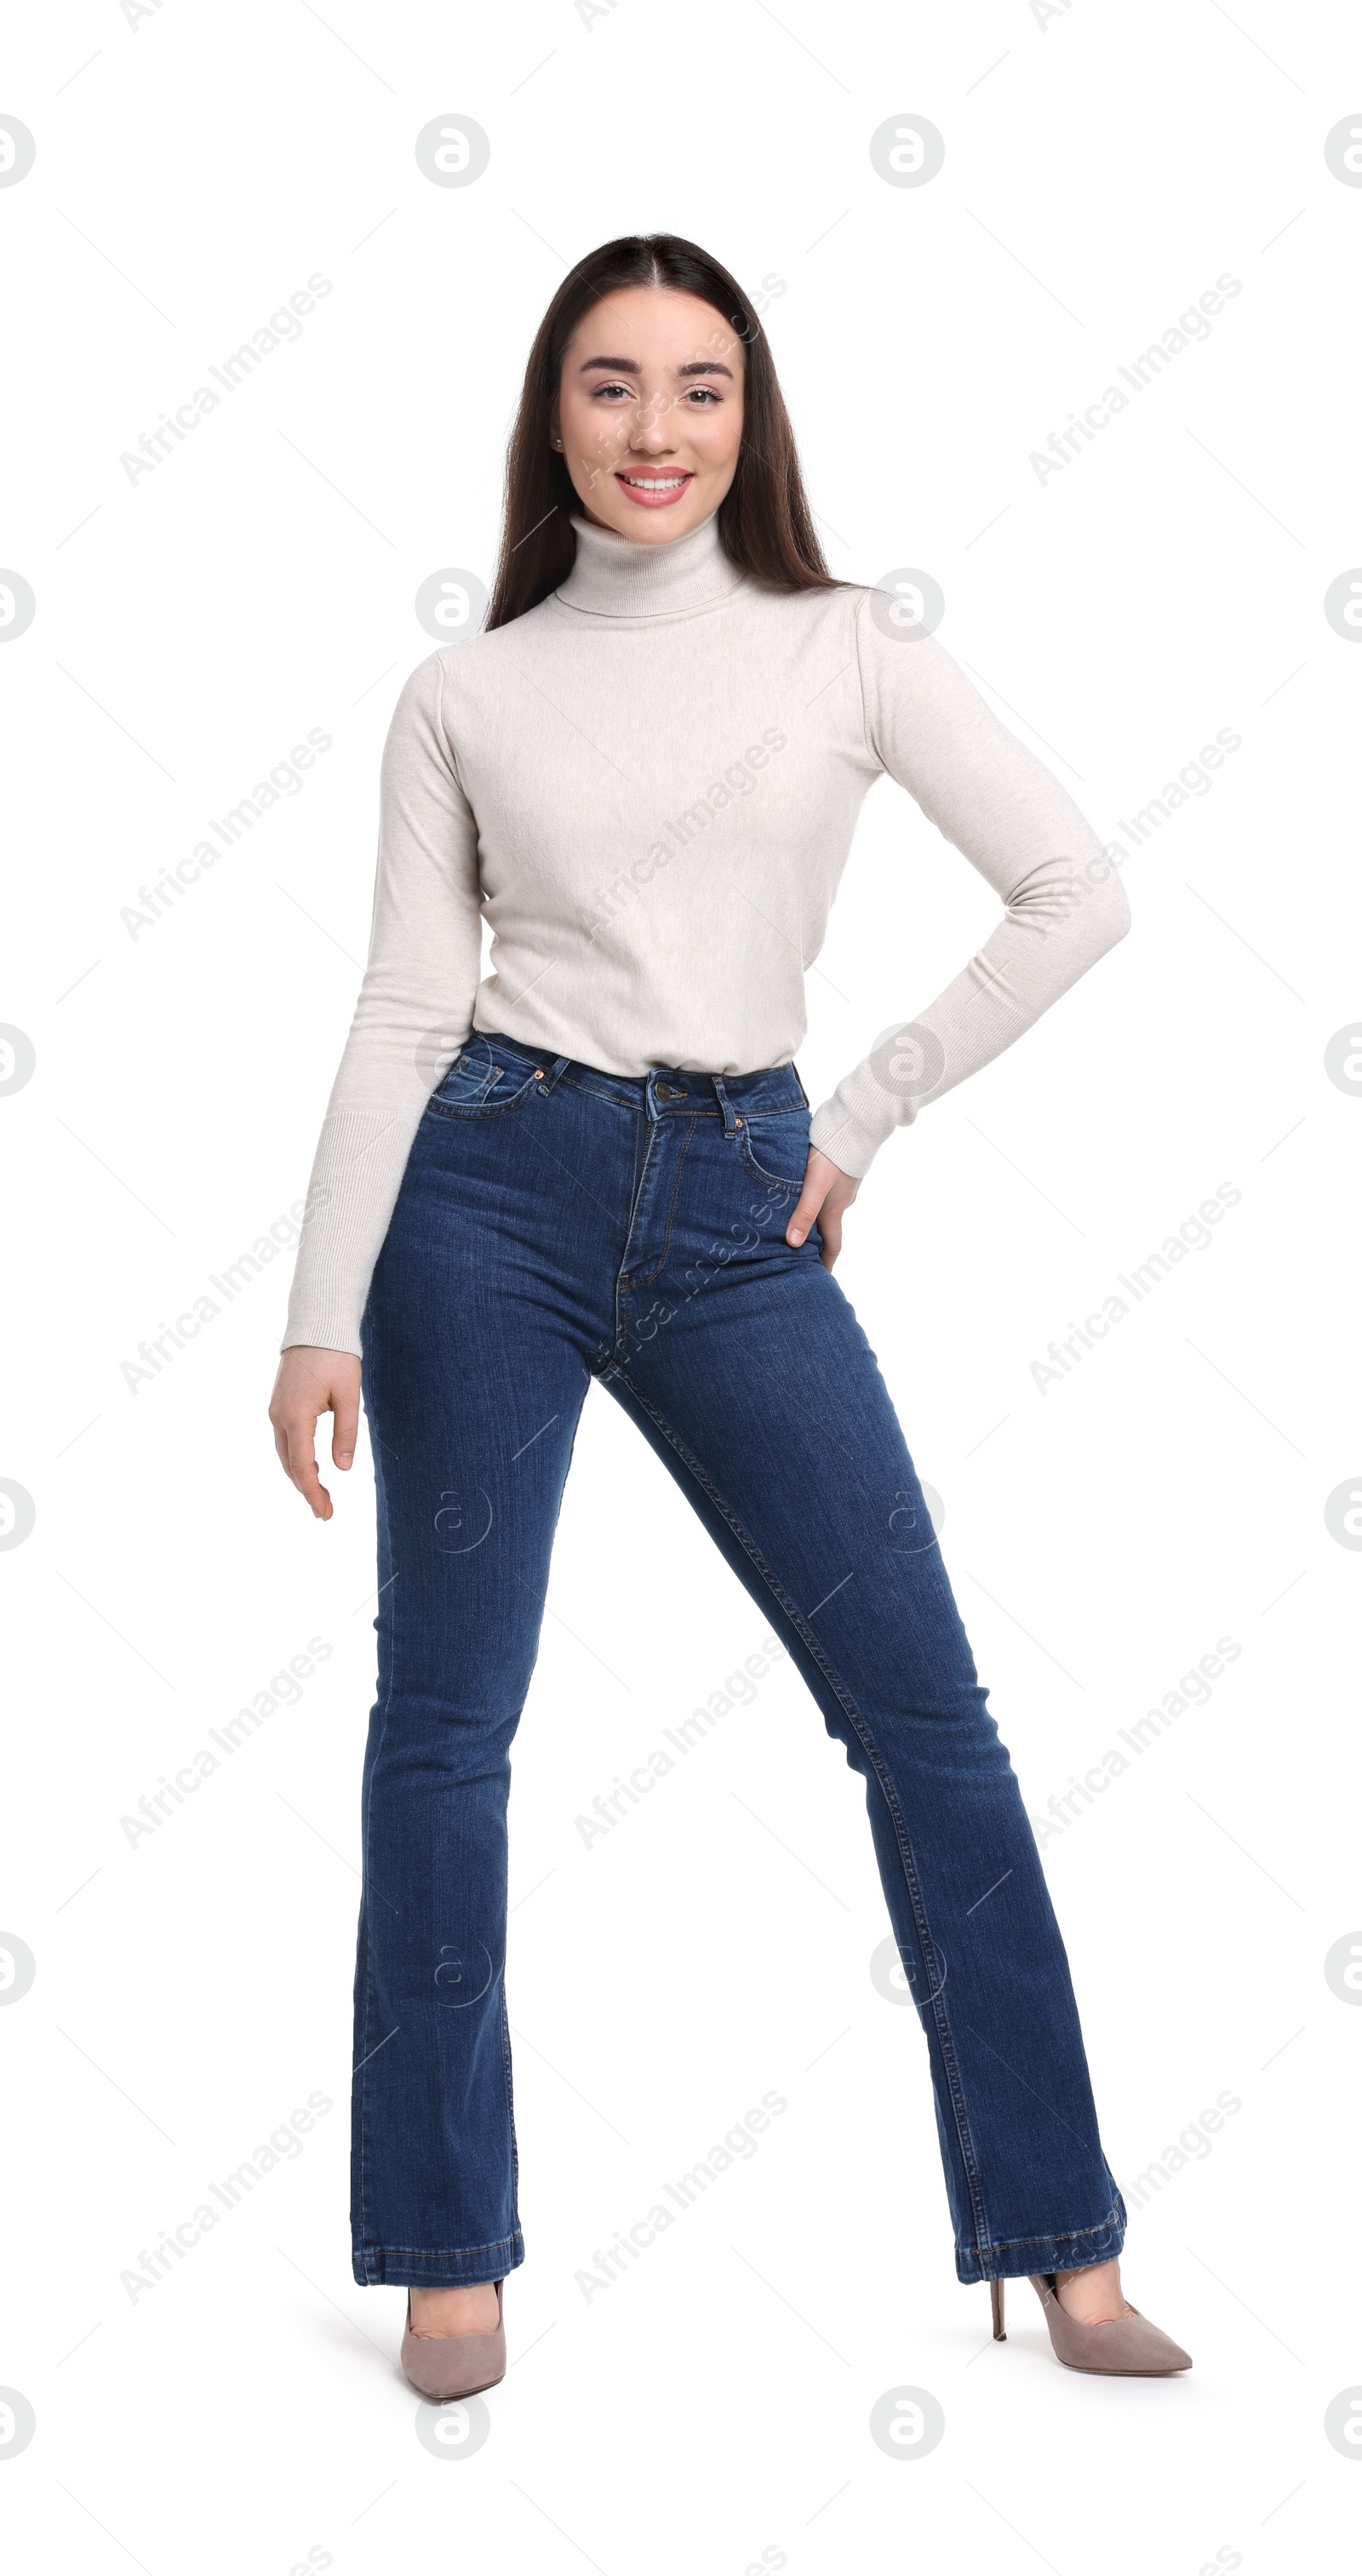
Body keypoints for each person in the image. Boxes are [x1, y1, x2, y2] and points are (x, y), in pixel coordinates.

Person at [270, 232, 1191, 2396]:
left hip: (734, 1201)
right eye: (611, 385)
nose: (656, 429)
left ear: (749, 417)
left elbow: (1078, 885)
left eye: (699, 387)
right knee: (447, 1728)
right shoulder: (465, 691)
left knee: (926, 1715)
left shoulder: (846, 647)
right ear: (552, 415)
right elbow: (409, 1002)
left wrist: (862, 1109)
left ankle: (1057, 2241)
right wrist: (320, 1309)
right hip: (480, 1189)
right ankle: (442, 2244)